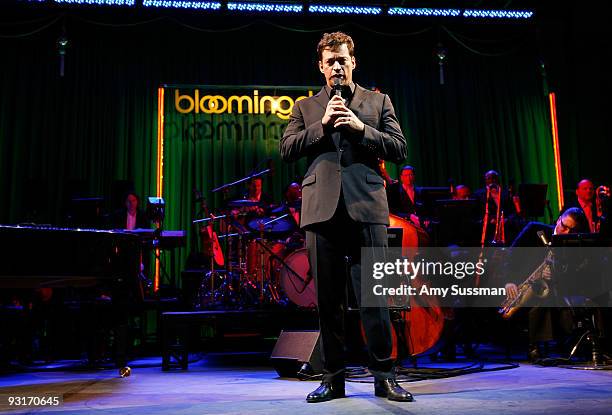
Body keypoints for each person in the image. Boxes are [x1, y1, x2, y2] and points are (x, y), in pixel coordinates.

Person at [280, 32, 412, 402]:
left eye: (342, 60)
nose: (337, 66)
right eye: (330, 61)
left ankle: (384, 377)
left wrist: (360, 128)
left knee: (376, 298)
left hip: (367, 208)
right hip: (321, 212)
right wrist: (322, 125)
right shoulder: (305, 107)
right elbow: (287, 149)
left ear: (353, 62)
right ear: (321, 67)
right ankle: (332, 379)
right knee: (328, 302)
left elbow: (399, 148)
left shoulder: (377, 100)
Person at [504, 207, 590, 360]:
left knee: (544, 294)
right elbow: (510, 257)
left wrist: (555, 274)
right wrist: (509, 281)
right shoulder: (535, 230)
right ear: (558, 220)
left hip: (549, 289)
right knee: (542, 295)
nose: (566, 233)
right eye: (564, 226)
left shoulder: (571, 244)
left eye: (571, 229)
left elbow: (573, 275)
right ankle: (535, 345)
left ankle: (535, 345)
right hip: (519, 285)